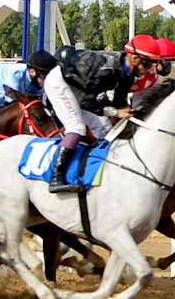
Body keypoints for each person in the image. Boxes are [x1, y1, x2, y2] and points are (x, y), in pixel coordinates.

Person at [34, 49, 118, 194]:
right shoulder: (105, 69)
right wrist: (112, 111)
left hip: (75, 90)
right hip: (60, 88)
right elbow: (86, 102)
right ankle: (56, 178)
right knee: (77, 128)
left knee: (105, 127)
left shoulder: (116, 70)